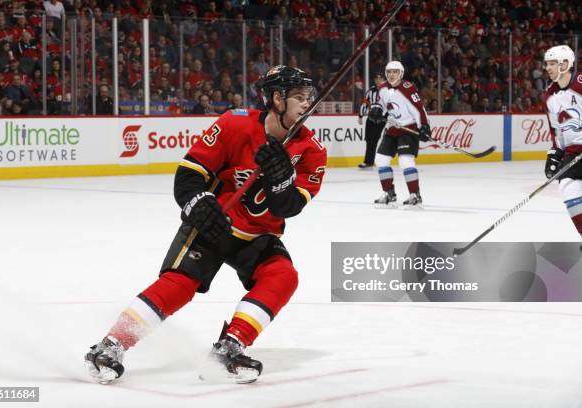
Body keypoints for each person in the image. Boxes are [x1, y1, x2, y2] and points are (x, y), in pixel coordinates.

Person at [84, 65, 327, 384]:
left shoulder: (312, 151)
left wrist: (280, 180)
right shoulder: (235, 124)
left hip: (258, 234)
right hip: (216, 223)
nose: (307, 103)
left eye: (309, 97)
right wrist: (197, 203)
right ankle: (111, 345)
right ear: (276, 98)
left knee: (283, 276)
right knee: (180, 283)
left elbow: (289, 207)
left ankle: (229, 346)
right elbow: (189, 173)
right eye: (298, 96)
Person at [373, 61, 431, 209]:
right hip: (393, 128)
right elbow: (380, 104)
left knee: (405, 162)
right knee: (381, 160)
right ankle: (389, 194)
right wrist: (377, 110)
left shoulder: (408, 88)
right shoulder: (382, 88)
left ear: (401, 74)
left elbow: (419, 109)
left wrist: (424, 126)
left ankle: (415, 196)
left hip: (408, 128)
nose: (392, 74)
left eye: (395, 72)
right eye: (389, 72)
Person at [542, 45, 582, 238]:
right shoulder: (550, 96)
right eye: (546, 64)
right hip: (574, 153)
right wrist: (554, 154)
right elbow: (557, 131)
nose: (547, 68)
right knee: (567, 187)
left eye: (552, 64)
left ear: (565, 64)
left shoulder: (581, 83)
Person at [357, 73, 387, 169]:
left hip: (381, 119)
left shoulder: (388, 91)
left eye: (380, 78)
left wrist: (388, 116)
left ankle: (369, 162)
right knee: (369, 139)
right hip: (370, 118)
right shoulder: (370, 91)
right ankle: (368, 161)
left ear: (384, 79)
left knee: (374, 139)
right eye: (376, 79)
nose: (378, 80)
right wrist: (361, 115)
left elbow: (391, 105)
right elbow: (365, 102)